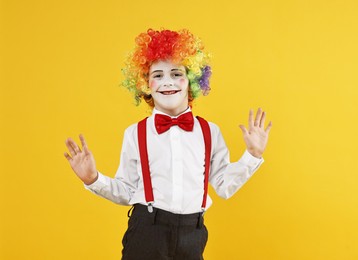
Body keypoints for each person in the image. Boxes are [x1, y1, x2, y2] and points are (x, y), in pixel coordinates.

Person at [64, 28, 272, 260]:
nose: (167, 82)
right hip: (147, 231)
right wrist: (93, 179)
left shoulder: (209, 132)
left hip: (193, 234)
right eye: (158, 75)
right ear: (145, 84)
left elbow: (224, 186)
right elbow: (128, 191)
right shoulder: (135, 133)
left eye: (176, 74)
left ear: (192, 80)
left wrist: (252, 155)